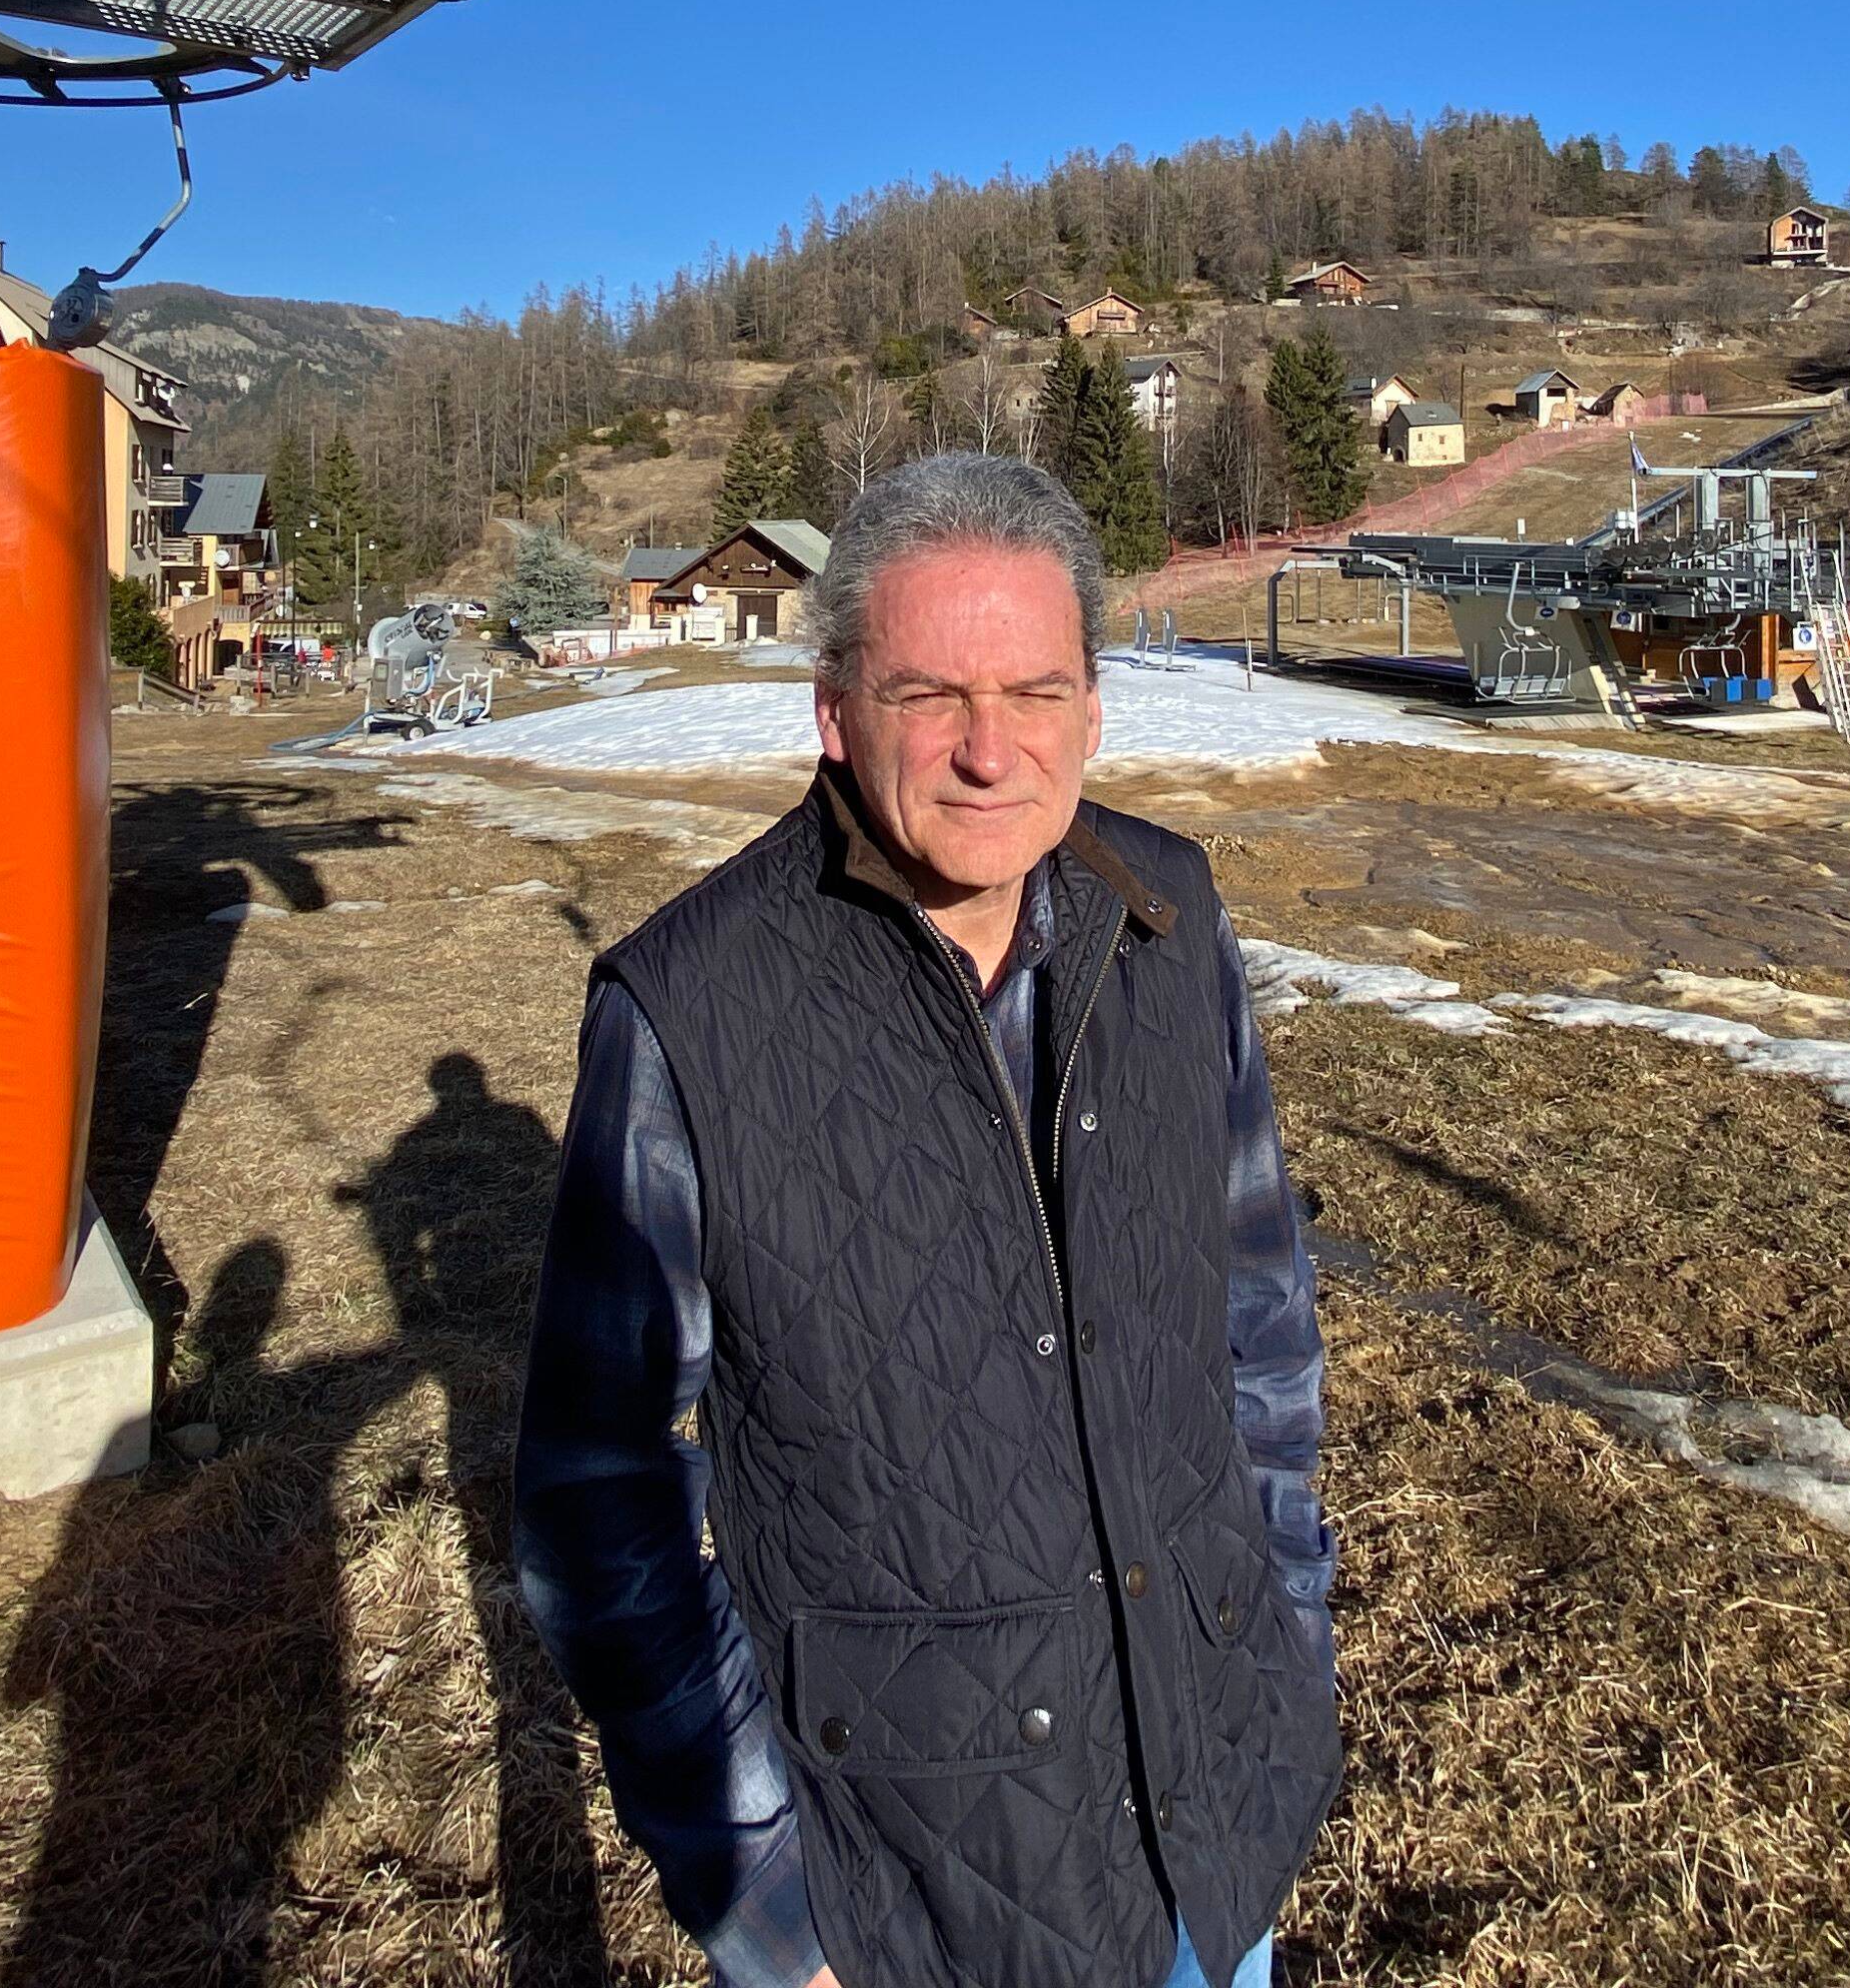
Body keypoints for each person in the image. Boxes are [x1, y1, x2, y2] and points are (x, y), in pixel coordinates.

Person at [514, 452, 1338, 1988]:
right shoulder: (692, 1008)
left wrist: (1288, 1638)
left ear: (1094, 709)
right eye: (929, 696)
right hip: (906, 1900)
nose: (988, 751)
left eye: (1035, 692)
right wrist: (775, 1913)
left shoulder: (1170, 919)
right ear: (836, 711)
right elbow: (595, 1494)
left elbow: (1262, 1322)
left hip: (1214, 1828)